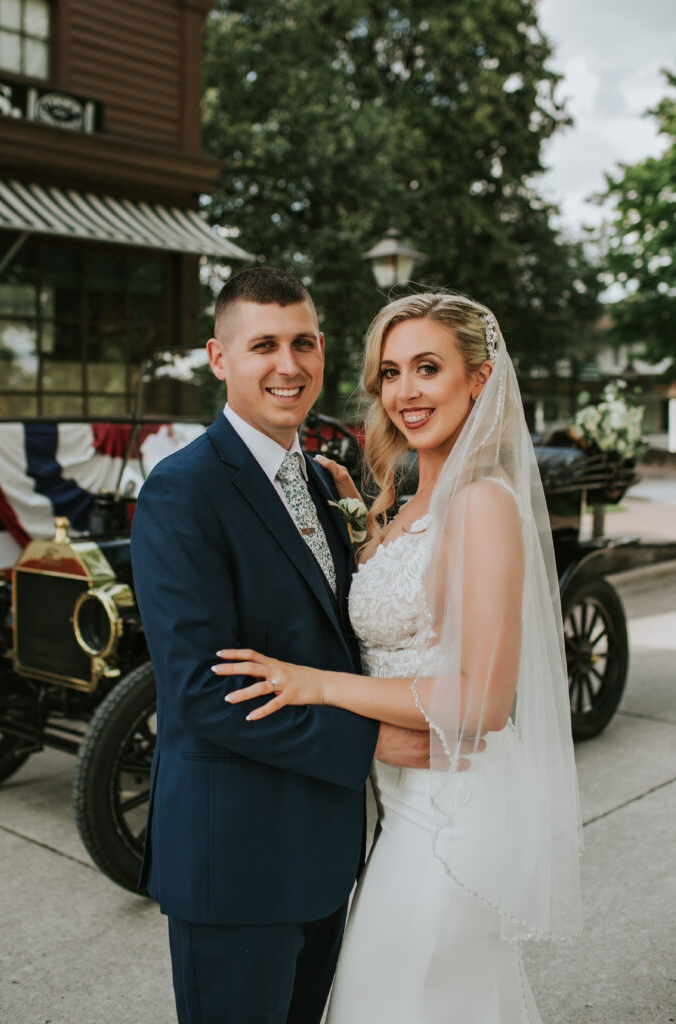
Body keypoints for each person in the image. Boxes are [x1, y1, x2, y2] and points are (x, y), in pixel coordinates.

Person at [215, 292, 584, 1023]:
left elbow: (481, 701)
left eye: (427, 367)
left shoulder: (481, 503)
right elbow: (400, 610)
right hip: (400, 807)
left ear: (478, 379)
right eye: (389, 372)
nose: (405, 392)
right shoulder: (413, 502)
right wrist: (357, 512)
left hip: (451, 816)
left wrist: (317, 685)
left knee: (388, 1001)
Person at [130, 267, 429, 1024]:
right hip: (234, 858)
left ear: (323, 349)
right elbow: (203, 692)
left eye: (303, 342)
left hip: (325, 850)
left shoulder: (323, 482)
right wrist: (372, 741)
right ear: (218, 357)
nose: (288, 365)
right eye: (263, 345)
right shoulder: (182, 491)